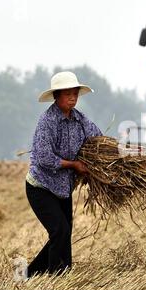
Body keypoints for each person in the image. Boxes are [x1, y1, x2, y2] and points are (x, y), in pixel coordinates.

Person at [25, 71, 102, 278]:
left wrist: (117, 153)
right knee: (60, 231)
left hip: (63, 189)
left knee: (62, 234)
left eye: (75, 93)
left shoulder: (79, 119)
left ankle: (30, 275)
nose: (73, 97)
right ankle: (55, 278)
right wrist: (75, 165)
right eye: (67, 93)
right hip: (41, 187)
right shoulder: (47, 121)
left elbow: (98, 138)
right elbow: (44, 158)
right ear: (57, 96)